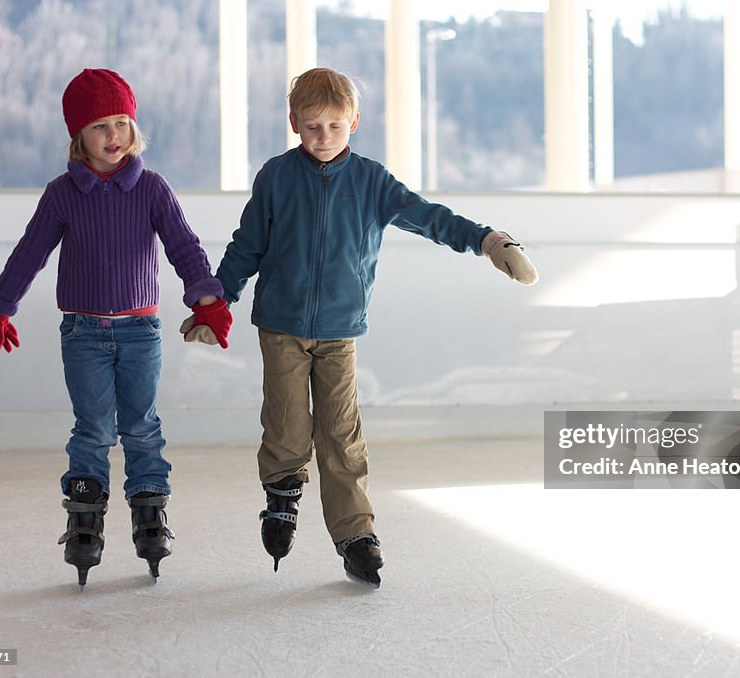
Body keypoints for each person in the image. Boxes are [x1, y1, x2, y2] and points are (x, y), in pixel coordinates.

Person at [183, 67, 537, 587]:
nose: (322, 136)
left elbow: (429, 217)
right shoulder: (276, 177)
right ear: (293, 124)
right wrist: (218, 301)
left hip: (340, 329)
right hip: (279, 325)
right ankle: (282, 495)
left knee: (341, 433)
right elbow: (247, 244)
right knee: (286, 424)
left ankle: (356, 533)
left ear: (355, 122)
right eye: (311, 126)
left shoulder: (372, 181)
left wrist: (487, 240)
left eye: (333, 125)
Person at [0, 68, 233, 586]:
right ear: (78, 137)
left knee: (141, 424)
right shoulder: (61, 194)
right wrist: (1, 305)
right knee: (93, 428)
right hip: (83, 333)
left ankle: (149, 510)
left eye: (121, 122)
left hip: (141, 332)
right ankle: (84, 519)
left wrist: (207, 298)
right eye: (99, 126)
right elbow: (31, 252)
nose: (113, 135)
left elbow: (184, 246)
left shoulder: (152, 188)